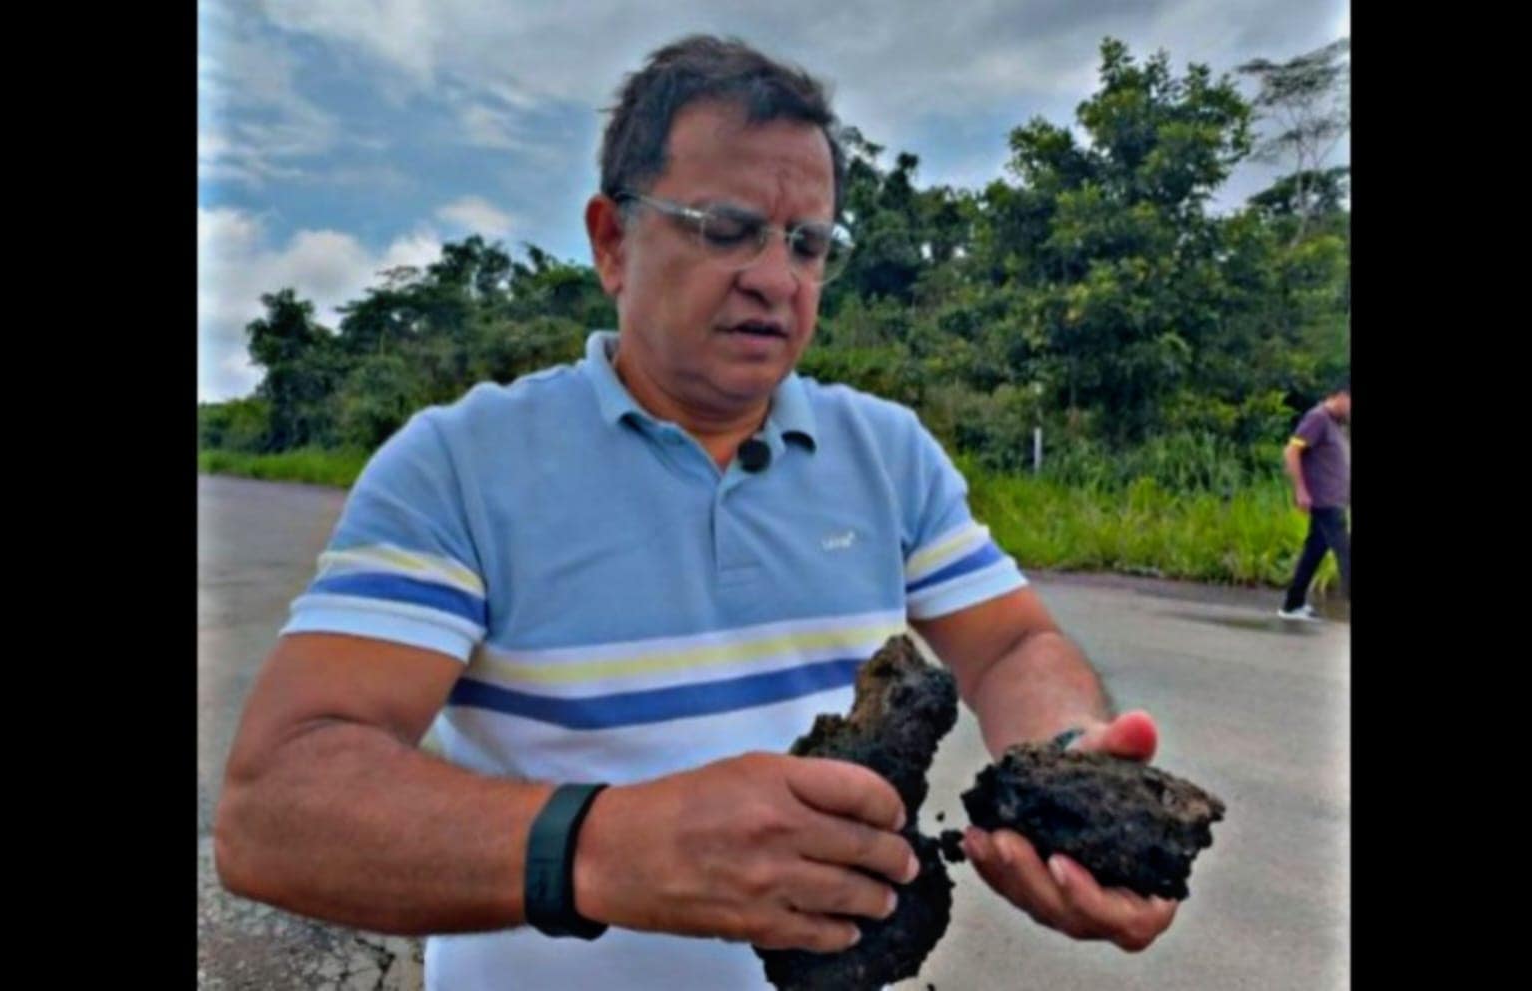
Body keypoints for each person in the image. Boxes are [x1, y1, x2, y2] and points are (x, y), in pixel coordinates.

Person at [214, 35, 1178, 989]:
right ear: (611, 240)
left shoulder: (886, 453)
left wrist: (1063, 770)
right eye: (726, 227)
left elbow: (1010, 649)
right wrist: (607, 847)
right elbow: (278, 809)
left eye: (808, 244)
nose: (776, 276)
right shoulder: (462, 463)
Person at [1278, 382, 1351, 620]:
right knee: (1345, 551)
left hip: (1334, 500)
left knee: (1314, 552)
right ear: (1340, 396)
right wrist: (1301, 490)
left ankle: (1292, 604)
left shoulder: (1335, 424)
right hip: (1324, 501)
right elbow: (1291, 450)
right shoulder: (1318, 418)